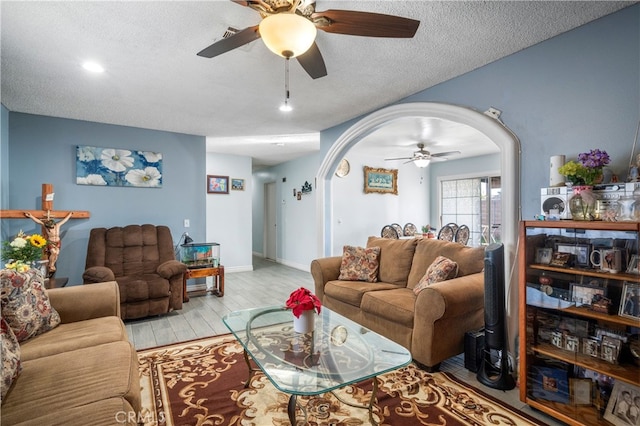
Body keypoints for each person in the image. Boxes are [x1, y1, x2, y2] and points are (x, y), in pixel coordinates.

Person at [24, 211, 73, 277]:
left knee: (57, 253)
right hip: (51, 242)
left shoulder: (57, 226)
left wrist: (69, 215)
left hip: (57, 242)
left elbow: (64, 220)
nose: (50, 228)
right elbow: (38, 221)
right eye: (49, 227)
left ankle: (51, 265)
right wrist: (31, 216)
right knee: (53, 252)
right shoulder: (46, 227)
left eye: (51, 227)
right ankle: (51, 265)